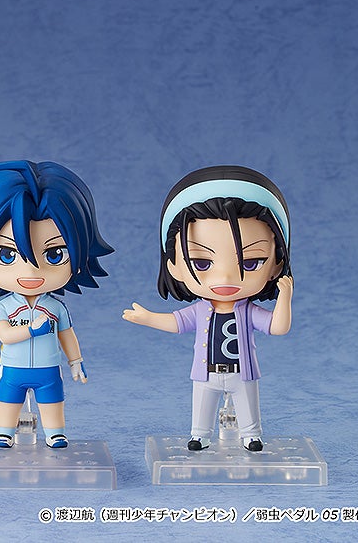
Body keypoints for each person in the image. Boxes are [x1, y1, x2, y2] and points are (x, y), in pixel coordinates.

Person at [122, 166, 293, 451]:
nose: (225, 278)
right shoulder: (200, 311)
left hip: (242, 373)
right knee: (202, 404)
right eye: (201, 263)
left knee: (248, 405)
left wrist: (285, 297)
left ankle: (251, 435)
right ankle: (199, 434)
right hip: (206, 372)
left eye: (251, 262)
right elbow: (176, 323)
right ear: (174, 265)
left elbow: (278, 327)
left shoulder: (248, 311)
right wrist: (148, 318)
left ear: (276, 263)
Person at [0, 160, 114, 448]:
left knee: (52, 401)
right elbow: (3, 334)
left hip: (48, 367)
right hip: (12, 368)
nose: (30, 272)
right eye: (7, 255)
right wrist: (32, 331)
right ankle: (4, 432)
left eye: (54, 255)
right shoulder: (4, 307)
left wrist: (75, 361)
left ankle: (55, 433)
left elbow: (67, 334)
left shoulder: (56, 308)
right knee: (7, 401)